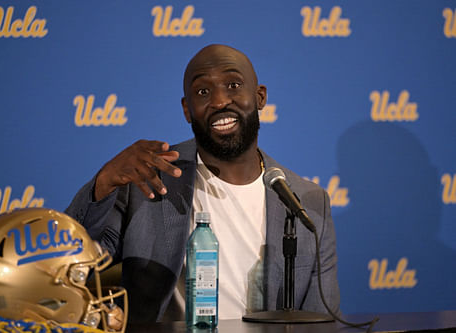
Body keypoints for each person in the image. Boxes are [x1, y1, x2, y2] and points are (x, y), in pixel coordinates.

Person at [65, 44, 340, 323]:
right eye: (202, 92)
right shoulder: (147, 178)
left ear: (260, 97)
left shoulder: (308, 202)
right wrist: (104, 183)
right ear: (187, 110)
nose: (220, 101)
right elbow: (73, 265)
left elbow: (322, 321)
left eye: (233, 85)